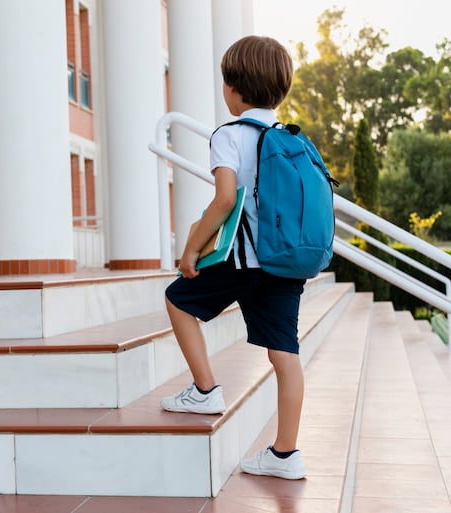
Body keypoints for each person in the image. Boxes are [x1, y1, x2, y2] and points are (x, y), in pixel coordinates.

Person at [159, 35, 307, 480]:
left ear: (232, 88)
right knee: (285, 353)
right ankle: (286, 455)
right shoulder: (290, 138)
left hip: (244, 260)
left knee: (177, 299)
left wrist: (190, 249)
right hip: (286, 262)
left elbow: (224, 200)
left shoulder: (230, 136)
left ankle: (206, 390)